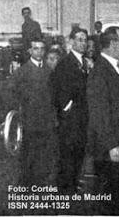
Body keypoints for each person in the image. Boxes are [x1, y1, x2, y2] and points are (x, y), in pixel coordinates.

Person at [87, 26, 119, 214]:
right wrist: (111, 145)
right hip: (109, 148)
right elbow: (99, 113)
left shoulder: (115, 68)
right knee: (111, 200)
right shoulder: (100, 71)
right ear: (113, 43)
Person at [11, 39, 57, 188]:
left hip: (46, 120)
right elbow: (13, 94)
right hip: (30, 120)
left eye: (42, 49)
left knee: (44, 153)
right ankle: (26, 184)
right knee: (28, 153)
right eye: (36, 49)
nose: (39, 52)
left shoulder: (49, 71)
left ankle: (40, 182)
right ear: (30, 51)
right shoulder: (22, 71)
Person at [50, 27, 89, 194]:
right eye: (79, 39)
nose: (83, 43)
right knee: (68, 153)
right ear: (72, 41)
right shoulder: (66, 62)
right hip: (70, 118)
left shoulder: (85, 62)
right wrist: (66, 107)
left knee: (79, 151)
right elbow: (56, 87)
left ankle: (72, 183)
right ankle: (64, 188)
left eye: (85, 40)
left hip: (82, 117)